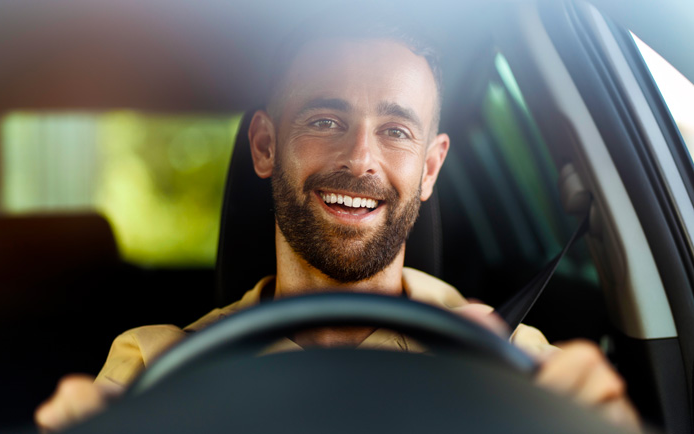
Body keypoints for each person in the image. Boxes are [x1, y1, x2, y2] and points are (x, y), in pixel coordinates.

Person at [35, 11, 640, 432]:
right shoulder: (159, 365)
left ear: (431, 169)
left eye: (396, 131)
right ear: (266, 147)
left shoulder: (506, 356)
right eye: (325, 121)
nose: (360, 159)